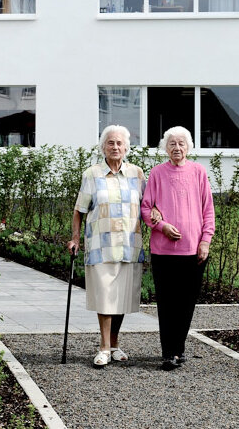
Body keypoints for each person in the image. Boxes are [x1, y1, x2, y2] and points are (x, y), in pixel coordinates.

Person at [67, 125, 146, 368]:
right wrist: (76, 238)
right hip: (101, 245)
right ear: (103, 147)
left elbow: (148, 206)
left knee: (122, 298)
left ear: (126, 148)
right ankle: (103, 347)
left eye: (119, 143)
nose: (115, 147)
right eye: (110, 143)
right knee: (105, 297)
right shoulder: (92, 174)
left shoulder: (137, 174)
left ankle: (114, 344)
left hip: (129, 245)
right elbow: (79, 210)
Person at [141, 126, 215, 371]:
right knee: (167, 302)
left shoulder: (198, 172)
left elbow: (208, 211)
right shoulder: (157, 173)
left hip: (193, 250)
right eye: (172, 143)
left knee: (186, 302)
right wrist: (161, 226)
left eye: (182, 143)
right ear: (165, 147)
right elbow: (145, 208)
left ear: (189, 147)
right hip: (163, 251)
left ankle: (179, 347)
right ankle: (168, 352)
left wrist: (205, 240)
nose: (177, 147)